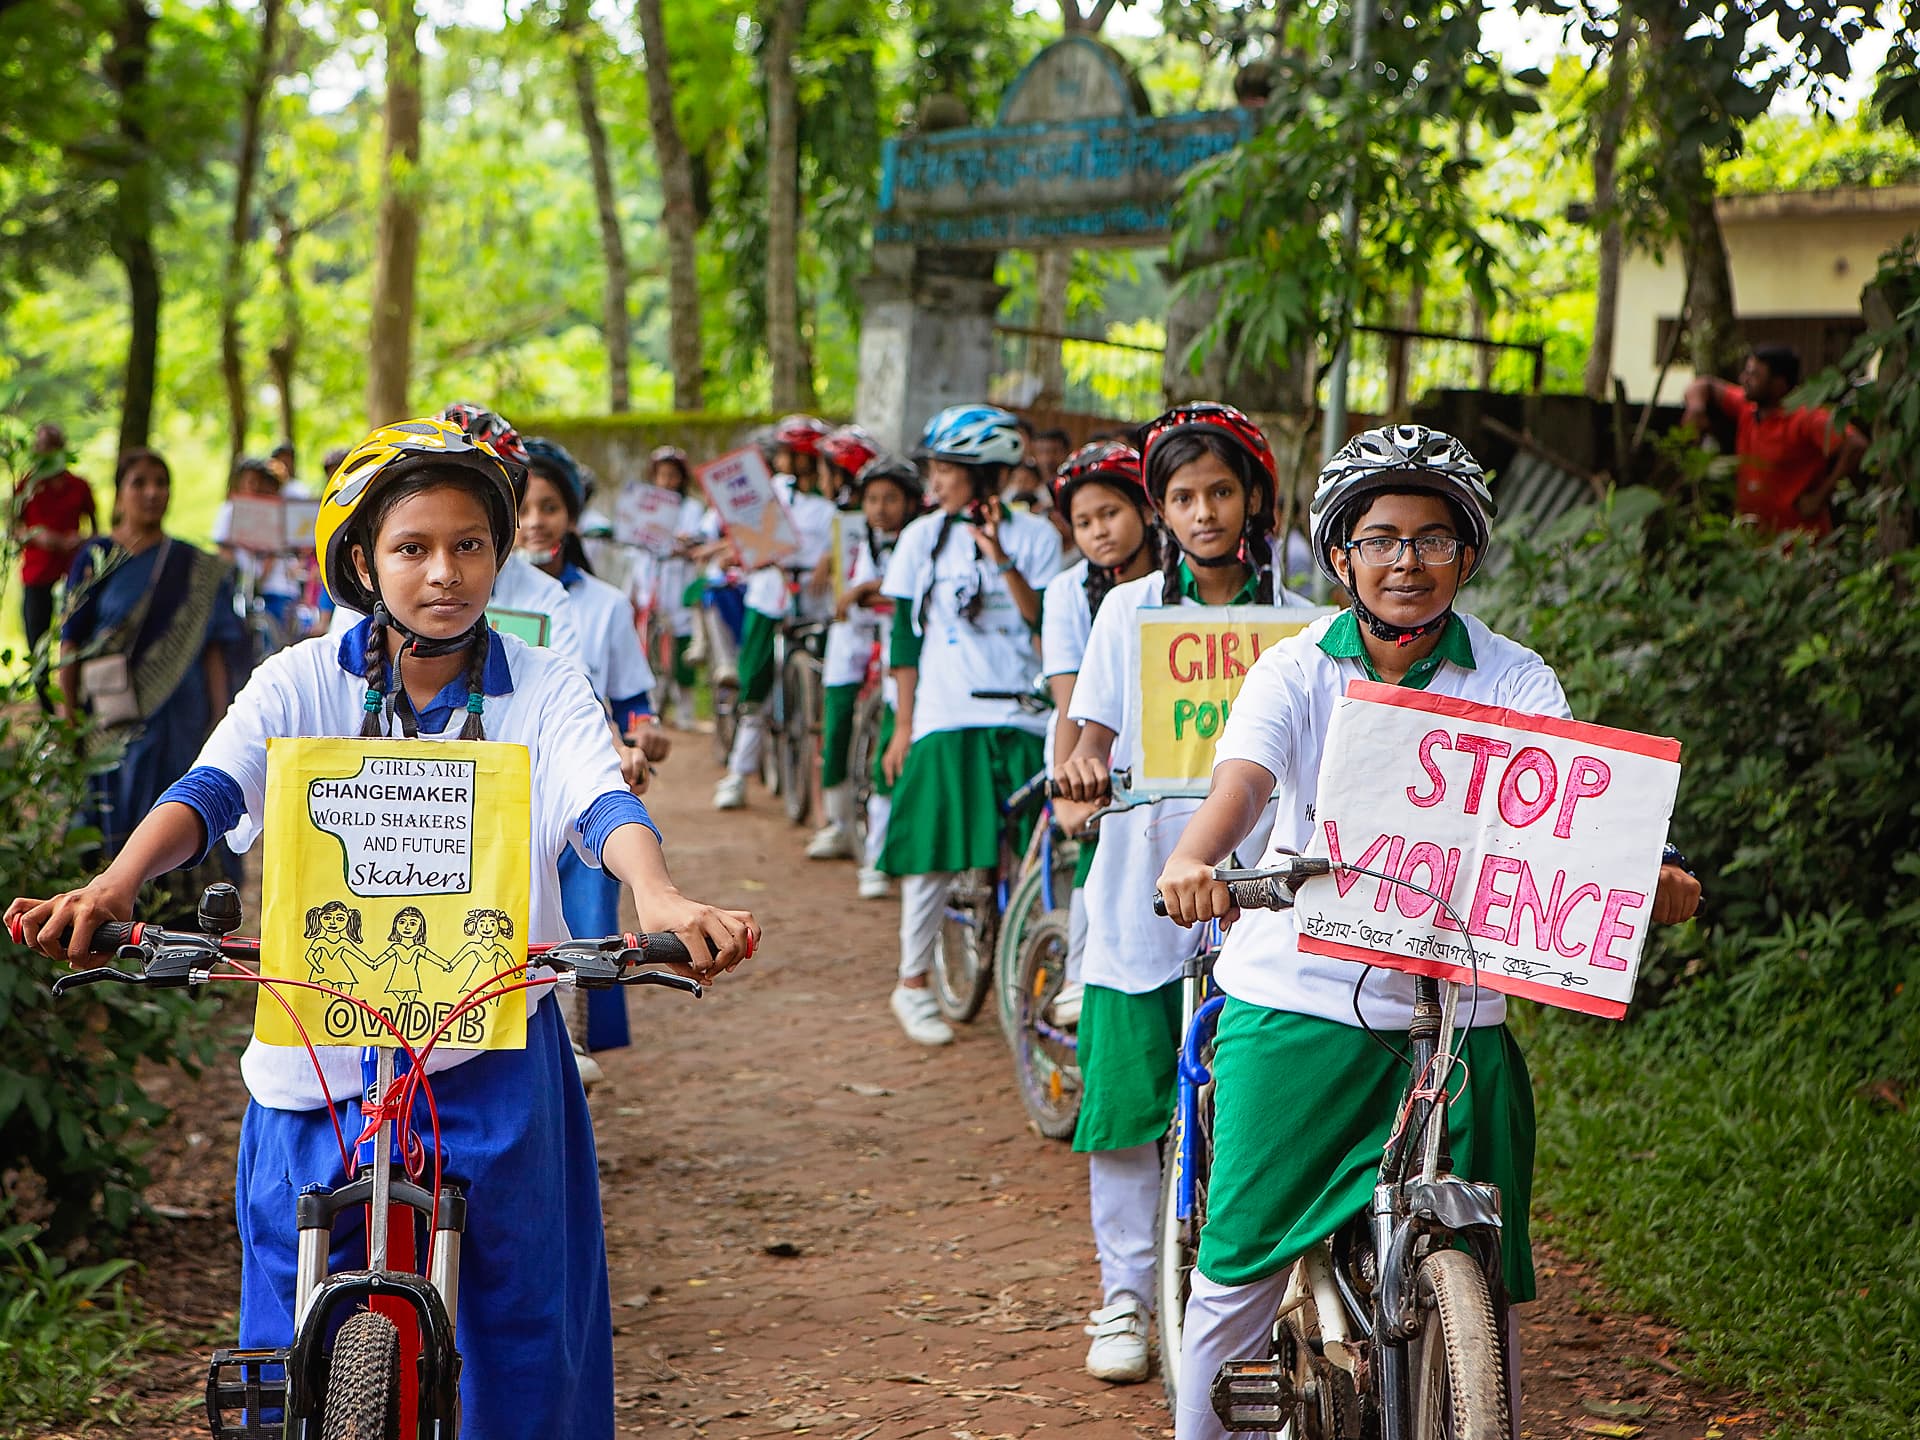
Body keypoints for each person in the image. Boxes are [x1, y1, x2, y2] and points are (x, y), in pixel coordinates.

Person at [9, 416, 759, 1440]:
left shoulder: (544, 685)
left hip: (490, 1053)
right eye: (412, 547)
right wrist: (120, 881)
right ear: (362, 561)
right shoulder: (299, 680)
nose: (442, 572)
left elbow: (600, 802)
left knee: (523, 1324)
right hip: (315, 1056)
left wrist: (657, 896)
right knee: (290, 1327)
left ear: (500, 555)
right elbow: (211, 789)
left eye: (469, 545)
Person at [1150, 424, 1703, 1440]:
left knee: (1482, 1288)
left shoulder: (1512, 675)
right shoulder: (1294, 671)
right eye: (1381, 538)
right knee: (1237, 1271)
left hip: (1457, 1008)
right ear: (1340, 556)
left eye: (1433, 539)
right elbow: (1245, 783)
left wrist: (1645, 875)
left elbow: (1570, 806)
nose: (1406, 560)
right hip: (1302, 1000)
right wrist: (1196, 858)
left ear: (1468, 555)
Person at [1051, 406, 1313, 1383]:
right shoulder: (1127, 614)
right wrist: (1078, 777)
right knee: (1124, 1110)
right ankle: (1125, 1296)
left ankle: (1260, 1301)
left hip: (1268, 900)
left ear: (1255, 501)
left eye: (1220, 492)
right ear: (1161, 510)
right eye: (1182, 496)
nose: (1202, 512)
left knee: (1260, 1108)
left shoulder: (1307, 624)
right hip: (1139, 902)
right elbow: (1091, 741)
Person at [878, 404, 1062, 1046]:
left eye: (945, 468)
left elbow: (1046, 624)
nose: (933, 479)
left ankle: (1038, 967)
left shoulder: (1036, 536)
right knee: (929, 852)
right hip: (945, 711)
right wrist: (903, 726)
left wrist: (999, 554)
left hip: (1022, 711)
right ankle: (912, 983)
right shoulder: (920, 537)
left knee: (1041, 848)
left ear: (983, 476)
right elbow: (904, 638)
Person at [520, 435, 671, 1070]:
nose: (533, 522)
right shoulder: (463, 600)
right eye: (521, 507)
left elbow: (632, 698)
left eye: (549, 507)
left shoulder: (603, 604)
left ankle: (572, 1035)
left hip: (579, 768)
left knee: (585, 909)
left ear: (573, 516)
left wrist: (639, 737)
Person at [59, 448, 246, 856]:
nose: (152, 492)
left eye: (161, 483)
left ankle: (180, 909)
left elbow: (213, 647)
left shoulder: (195, 566)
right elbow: (69, 641)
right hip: (115, 715)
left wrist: (219, 716)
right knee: (116, 810)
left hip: (183, 712)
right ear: (120, 493)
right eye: (139, 483)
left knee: (185, 801)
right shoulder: (96, 557)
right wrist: (66, 717)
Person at [1036, 440, 1163, 1034]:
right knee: (1099, 852)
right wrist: (1069, 781)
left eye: (1109, 514)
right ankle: (1081, 973)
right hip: (1087, 740)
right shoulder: (1067, 592)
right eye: (1083, 523)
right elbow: (1069, 698)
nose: (1098, 533)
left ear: (1145, 510)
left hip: (1172, 743)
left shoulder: (1178, 578)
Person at [712, 414, 838, 811]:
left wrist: (828, 561)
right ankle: (738, 773)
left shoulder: (832, 502)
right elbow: (748, 533)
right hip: (770, 596)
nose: (781, 459)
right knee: (755, 685)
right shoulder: (771, 492)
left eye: (788, 452)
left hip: (816, 603)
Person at [809, 448, 920, 881]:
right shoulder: (859, 537)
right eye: (872, 499)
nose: (879, 509)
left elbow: (893, 595)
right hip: (861, 642)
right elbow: (858, 600)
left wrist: (869, 590)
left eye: (889, 499)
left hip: (904, 651)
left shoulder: (924, 538)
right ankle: (844, 828)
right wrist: (869, 594)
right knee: (838, 725)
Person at [1682, 344, 1866, 536]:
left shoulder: (1806, 417)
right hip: (1753, 540)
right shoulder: (1748, 408)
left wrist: (1819, 497)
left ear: (1779, 384)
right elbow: (1704, 385)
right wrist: (1696, 409)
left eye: (1754, 376)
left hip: (1799, 542)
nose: (1744, 379)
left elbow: (1856, 445)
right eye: (1746, 372)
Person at [12, 421, 97, 665]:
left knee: (75, 630)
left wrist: (80, 541)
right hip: (37, 572)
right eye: (40, 447)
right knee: (35, 634)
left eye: (50, 447)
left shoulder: (79, 486)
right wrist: (36, 536)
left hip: (73, 570)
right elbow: (13, 529)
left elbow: (95, 530)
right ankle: (43, 694)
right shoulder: (26, 487)